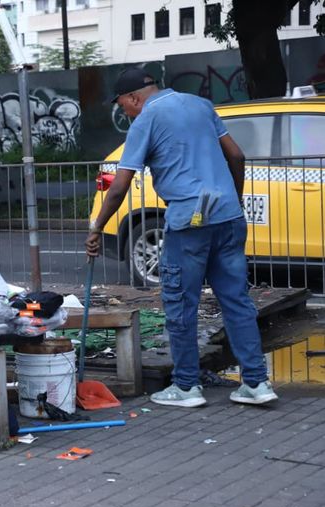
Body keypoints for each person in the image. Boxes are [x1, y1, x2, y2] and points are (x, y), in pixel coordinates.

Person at [85, 67, 277, 408]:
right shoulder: (201, 105)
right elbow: (237, 155)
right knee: (236, 301)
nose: (125, 113)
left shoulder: (147, 118)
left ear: (133, 98)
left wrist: (97, 226)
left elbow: (120, 186)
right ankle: (257, 383)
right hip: (228, 216)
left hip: (189, 221)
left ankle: (187, 387)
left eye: (123, 106)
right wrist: (233, 197)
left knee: (180, 304)